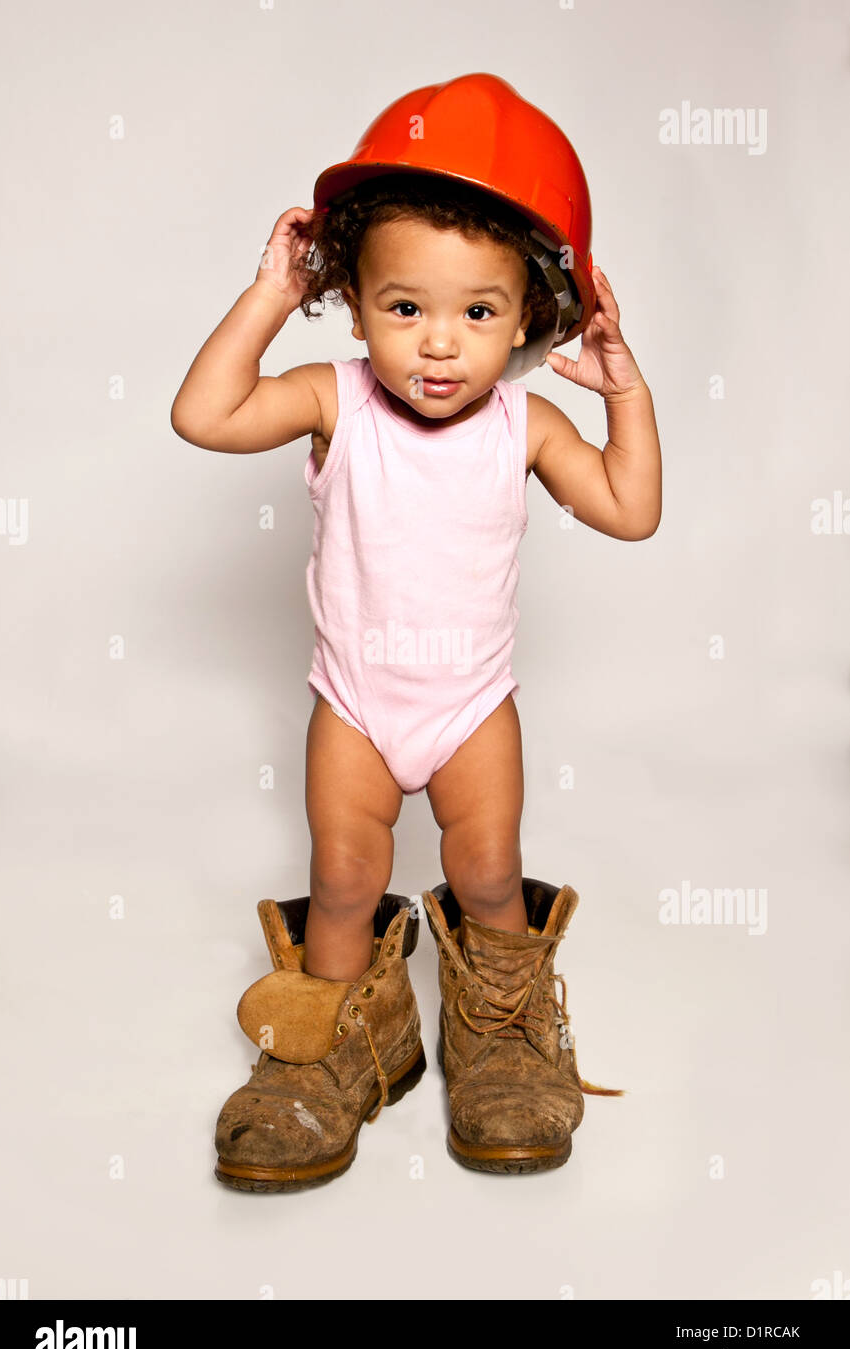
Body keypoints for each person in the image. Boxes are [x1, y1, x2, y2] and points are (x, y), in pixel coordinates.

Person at [171, 74, 661, 1191]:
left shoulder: (525, 425)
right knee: (344, 880)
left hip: (470, 706)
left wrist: (621, 390)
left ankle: (496, 1029)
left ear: (532, 321)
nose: (438, 346)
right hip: (355, 702)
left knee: (487, 874)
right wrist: (265, 296)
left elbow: (630, 511)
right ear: (351, 301)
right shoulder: (330, 399)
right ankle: (340, 1039)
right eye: (404, 308)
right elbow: (203, 415)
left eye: (478, 314)